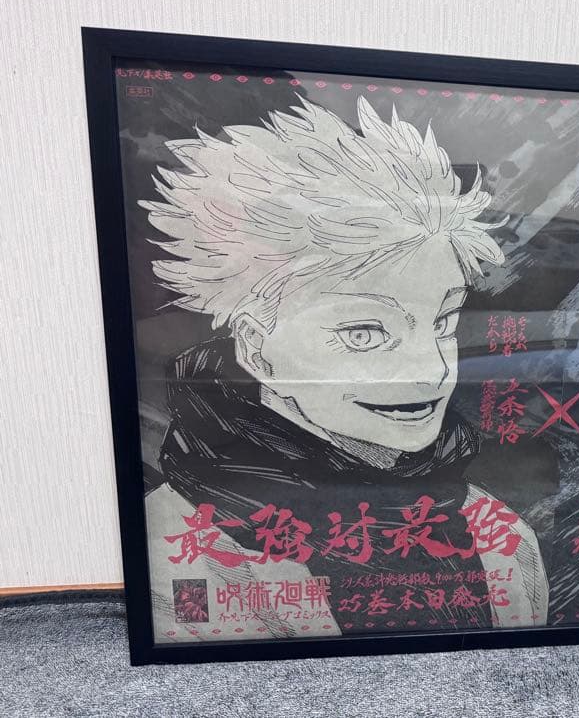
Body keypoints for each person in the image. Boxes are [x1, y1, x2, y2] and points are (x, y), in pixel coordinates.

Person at [140, 96, 548, 642]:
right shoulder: (181, 557)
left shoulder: (500, 539)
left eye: (444, 322)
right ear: (257, 350)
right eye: (364, 333)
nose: (430, 371)